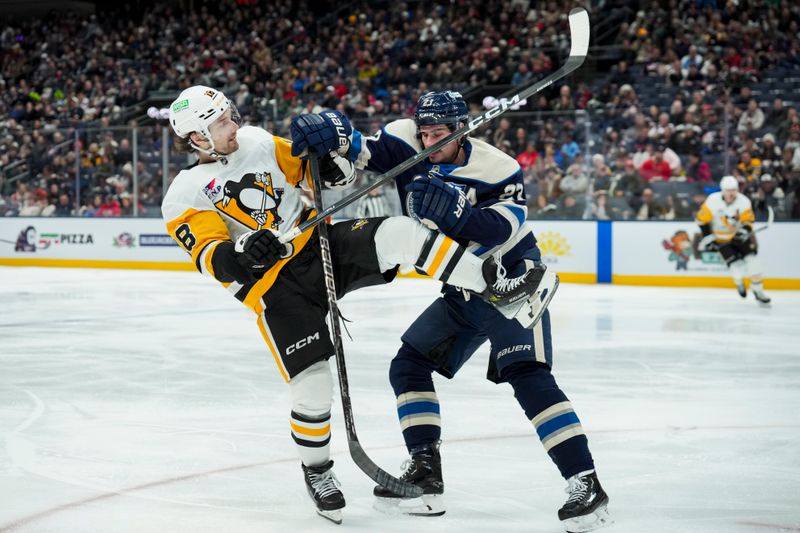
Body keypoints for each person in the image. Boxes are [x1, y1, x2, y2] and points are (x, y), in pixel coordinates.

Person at [161, 86, 541, 525]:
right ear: (198, 138)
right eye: (222, 122)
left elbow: (323, 178)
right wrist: (245, 251)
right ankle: (317, 470)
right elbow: (215, 259)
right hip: (273, 286)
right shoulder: (184, 193)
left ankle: (495, 288)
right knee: (313, 383)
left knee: (400, 233)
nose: (234, 124)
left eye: (231, 114)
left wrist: (327, 156)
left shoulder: (258, 141)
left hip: (317, 243)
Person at [291, 90, 612, 532]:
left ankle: (585, 482)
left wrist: (459, 215)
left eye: (438, 134)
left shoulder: (498, 168)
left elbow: (504, 228)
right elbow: (361, 151)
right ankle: (426, 472)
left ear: (461, 129)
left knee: (527, 375)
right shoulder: (407, 140)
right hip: (462, 288)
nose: (427, 142)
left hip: (509, 281)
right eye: (423, 133)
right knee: (408, 365)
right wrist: (330, 131)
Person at [696, 175, 771, 303]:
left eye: (734, 190)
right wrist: (709, 238)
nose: (731, 193)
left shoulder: (744, 201)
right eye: (728, 190)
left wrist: (743, 231)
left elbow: (748, 220)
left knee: (753, 262)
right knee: (736, 267)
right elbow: (702, 221)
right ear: (722, 190)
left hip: (739, 238)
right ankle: (739, 282)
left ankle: (758, 291)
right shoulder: (712, 201)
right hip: (721, 240)